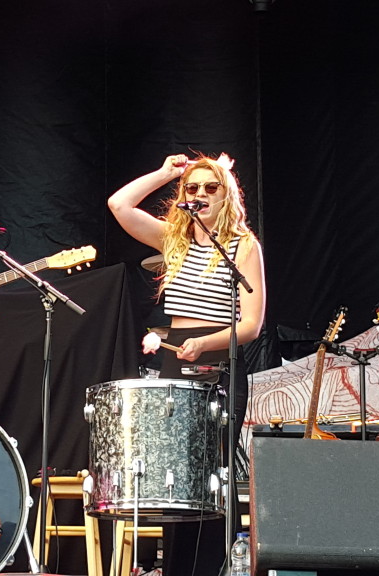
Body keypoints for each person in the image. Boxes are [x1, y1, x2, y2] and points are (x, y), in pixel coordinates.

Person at [107, 152, 266, 575]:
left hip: (219, 355)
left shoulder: (243, 245)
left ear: (226, 195)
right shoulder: (173, 241)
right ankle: (176, 566)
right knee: (177, 464)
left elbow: (250, 323)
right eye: (191, 188)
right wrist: (164, 173)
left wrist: (205, 341)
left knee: (213, 463)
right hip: (178, 355)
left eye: (209, 187)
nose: (199, 194)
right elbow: (119, 205)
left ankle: (210, 566)